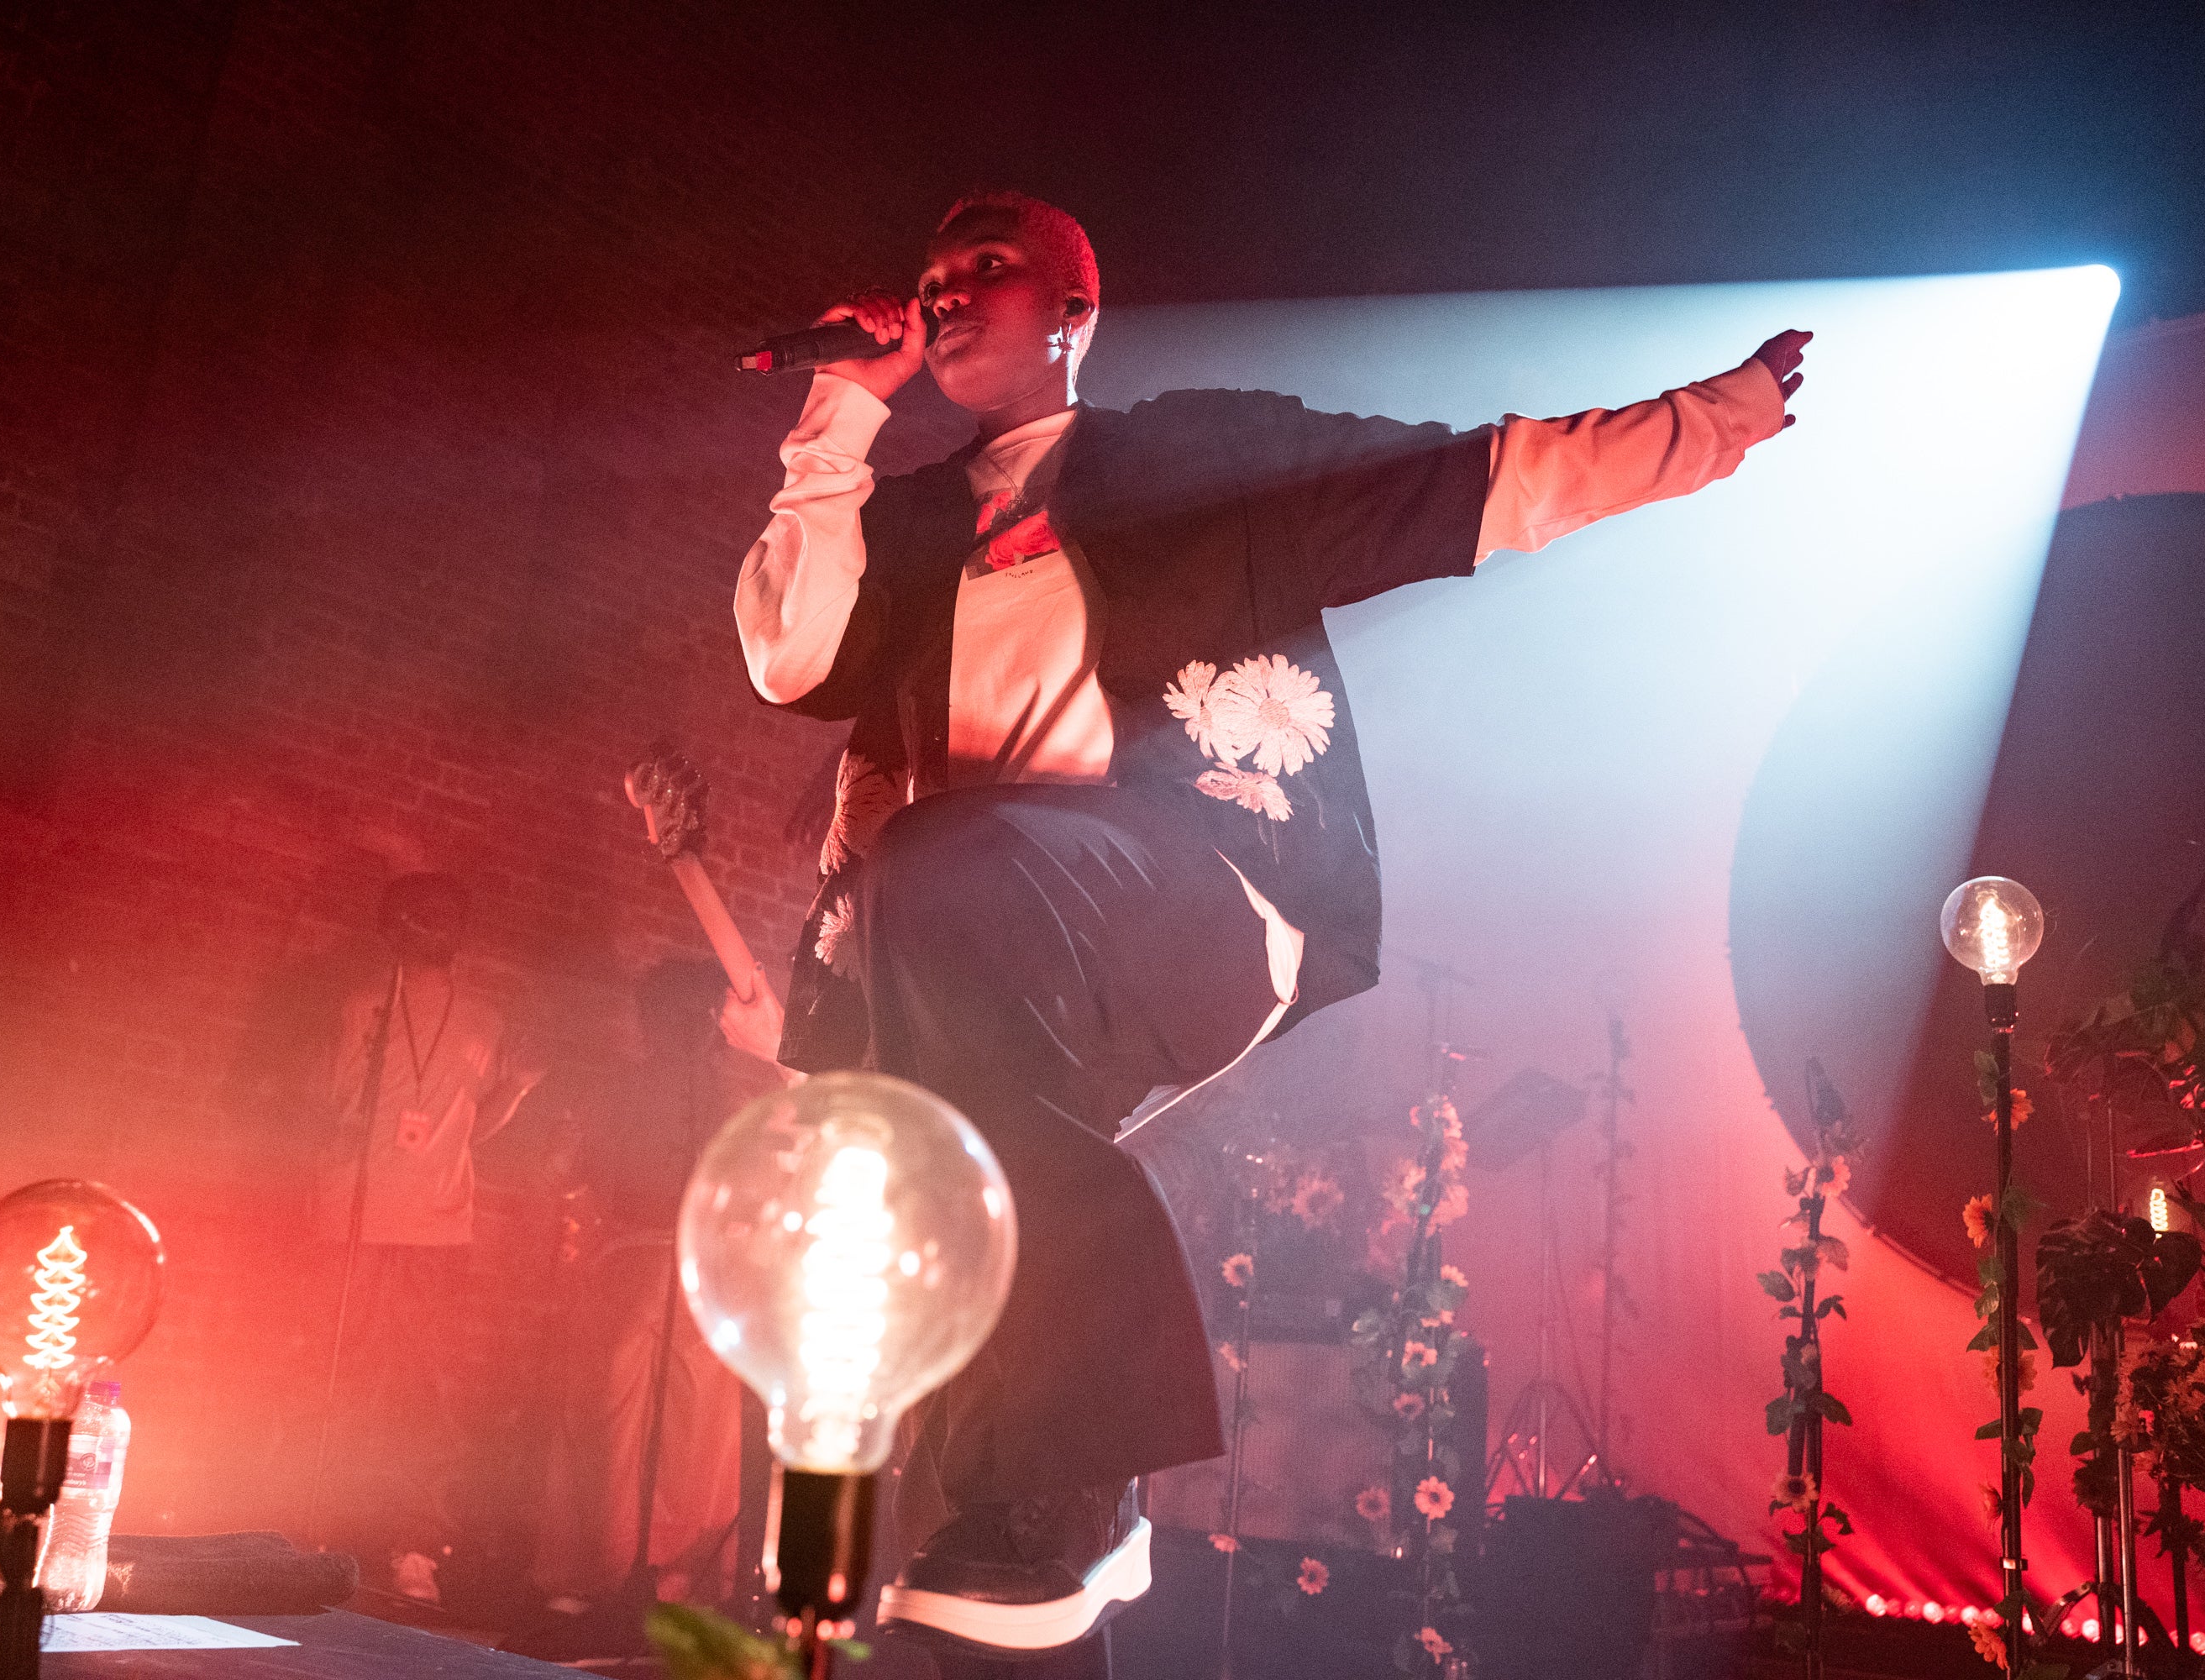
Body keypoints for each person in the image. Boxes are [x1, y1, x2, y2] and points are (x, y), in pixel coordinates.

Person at [733, 190, 1805, 1667]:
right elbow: (793, 659)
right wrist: (841, 414)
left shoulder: (1195, 456)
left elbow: (1457, 487)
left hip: (1198, 895)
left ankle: (1070, 1485)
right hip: (985, 938)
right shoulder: (909, 524)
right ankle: (1041, 1530)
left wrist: (1716, 417)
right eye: (929, 276)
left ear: (1072, 317)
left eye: (991, 268)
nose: (946, 291)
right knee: (950, 1184)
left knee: (941, 876)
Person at [522, 959, 785, 1651]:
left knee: (695, 1424)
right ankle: (603, 1568)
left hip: (703, 1269)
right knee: (611, 1412)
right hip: (632, 1261)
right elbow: (580, 1174)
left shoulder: (738, 1100)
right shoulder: (624, 1091)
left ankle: (679, 1575)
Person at [312, 871, 542, 1604]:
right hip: (359, 1215)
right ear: (399, 924)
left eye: (450, 915)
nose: (438, 928)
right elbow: (339, 1102)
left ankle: (412, 1547)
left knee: (425, 1393)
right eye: (425, 915)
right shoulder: (365, 1006)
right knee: (346, 1377)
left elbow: (482, 1124)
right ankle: (322, 1532)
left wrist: (519, 1090)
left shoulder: (484, 1018)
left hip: (438, 1228)